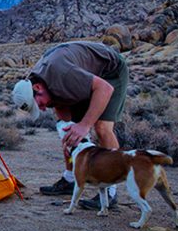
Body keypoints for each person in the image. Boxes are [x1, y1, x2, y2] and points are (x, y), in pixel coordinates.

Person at [12, 41, 129, 210]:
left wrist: (84, 125)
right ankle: (70, 179)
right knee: (67, 130)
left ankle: (110, 193)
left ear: (37, 87)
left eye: (39, 104)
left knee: (102, 127)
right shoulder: (42, 83)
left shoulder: (63, 75)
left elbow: (104, 89)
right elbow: (60, 109)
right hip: (83, 76)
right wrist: (68, 129)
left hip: (110, 73)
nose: (43, 108)